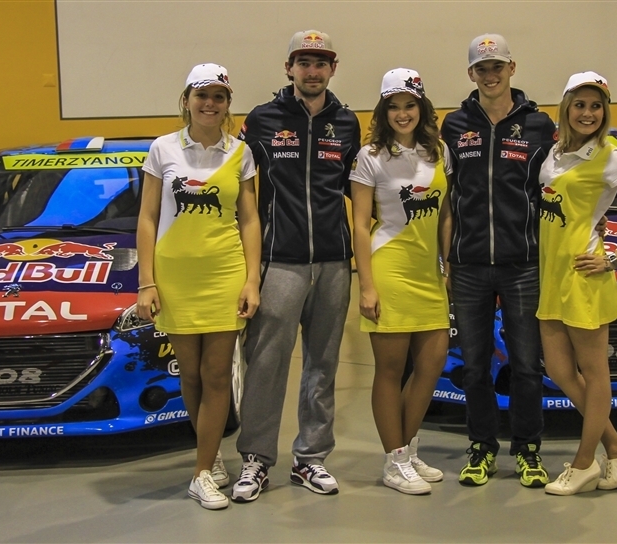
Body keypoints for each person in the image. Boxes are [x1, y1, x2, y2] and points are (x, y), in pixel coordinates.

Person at [233, 30, 361, 501]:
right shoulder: (262, 120)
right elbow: (238, 189)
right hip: (279, 261)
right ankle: (256, 459)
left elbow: (360, 191)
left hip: (333, 262)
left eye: (320, 63)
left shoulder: (346, 123)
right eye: (304, 62)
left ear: (333, 68)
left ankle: (311, 458)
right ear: (289, 68)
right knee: (266, 363)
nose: (312, 71)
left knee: (322, 364)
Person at [136, 63, 261, 510]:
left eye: (219, 97)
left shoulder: (241, 152)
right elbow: (148, 217)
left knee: (217, 374)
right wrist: (146, 282)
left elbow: (250, 219)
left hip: (224, 273)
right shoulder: (162, 148)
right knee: (189, 375)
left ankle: (201, 472)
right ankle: (211, 456)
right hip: (174, 277)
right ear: (187, 99)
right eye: (202, 95)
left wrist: (252, 279)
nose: (210, 104)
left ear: (228, 104)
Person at [439, 34, 556, 488]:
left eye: (497, 67)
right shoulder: (454, 125)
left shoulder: (539, 125)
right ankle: (482, 446)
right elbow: (446, 195)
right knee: (474, 366)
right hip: (468, 265)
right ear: (471, 74)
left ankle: (527, 449)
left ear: (512, 68)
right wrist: (446, 260)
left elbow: (560, 184)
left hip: (523, 263)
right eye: (482, 69)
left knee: (526, 364)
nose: (490, 76)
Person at [538, 72, 617, 496]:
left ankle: (585, 462)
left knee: (593, 372)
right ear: (566, 108)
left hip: (584, 276)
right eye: (580, 105)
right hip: (551, 274)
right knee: (559, 370)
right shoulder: (555, 151)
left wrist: (614, 257)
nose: (588, 113)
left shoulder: (610, 154)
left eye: (596, 106)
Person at [350, 68, 452, 495]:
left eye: (410, 105)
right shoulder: (370, 156)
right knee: (391, 371)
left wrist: (447, 264)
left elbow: (445, 213)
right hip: (388, 267)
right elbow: (360, 225)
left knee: (431, 365)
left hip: (429, 272)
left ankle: (406, 451)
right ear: (383, 111)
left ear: (422, 107)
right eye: (394, 106)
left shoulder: (439, 151)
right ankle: (394, 460)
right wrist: (367, 286)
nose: (403, 113)